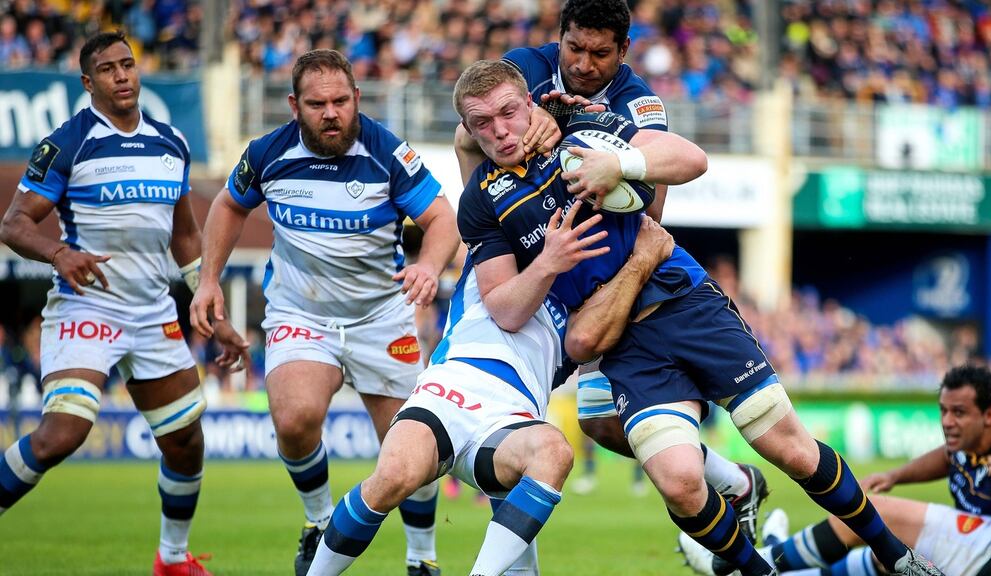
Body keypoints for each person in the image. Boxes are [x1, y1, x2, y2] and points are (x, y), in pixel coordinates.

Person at [454, 59, 941, 576]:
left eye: (509, 112)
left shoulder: (583, 126)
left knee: (792, 451)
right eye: (482, 123)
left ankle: (899, 558)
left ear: (530, 102)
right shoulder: (480, 202)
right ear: (467, 127)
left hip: (686, 303)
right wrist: (550, 261)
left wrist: (621, 166)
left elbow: (690, 158)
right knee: (681, 485)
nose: (500, 130)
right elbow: (504, 308)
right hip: (623, 345)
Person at [455, 0, 769, 546]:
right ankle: (733, 481)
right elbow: (468, 138)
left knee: (603, 423)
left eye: (600, 53)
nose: (583, 63)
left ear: (622, 51)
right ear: (561, 37)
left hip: (601, 270)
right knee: (593, 422)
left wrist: (583, 141)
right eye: (574, 47)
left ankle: (728, 479)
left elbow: (654, 204)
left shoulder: (638, 101)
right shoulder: (524, 68)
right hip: (533, 263)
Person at [188, 49, 460, 576]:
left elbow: (441, 217)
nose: (331, 112)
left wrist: (428, 264)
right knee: (293, 419)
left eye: (340, 101)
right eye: (317, 104)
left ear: (357, 98)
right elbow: (228, 205)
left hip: (382, 316)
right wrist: (207, 279)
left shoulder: (386, 151)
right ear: (295, 105)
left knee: (413, 447)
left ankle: (422, 557)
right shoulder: (269, 152)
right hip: (301, 311)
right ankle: (318, 523)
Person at [305, 203, 677, 576]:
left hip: (510, 421)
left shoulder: (595, 306)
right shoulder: (494, 247)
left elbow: (657, 189)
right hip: (447, 392)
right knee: (394, 474)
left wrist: (641, 257)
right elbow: (471, 147)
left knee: (553, 452)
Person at [0, 30, 248, 576]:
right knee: (63, 433)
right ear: (89, 83)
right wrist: (59, 253)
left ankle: (173, 559)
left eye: (128, 65)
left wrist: (214, 305)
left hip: (152, 311)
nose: (123, 76)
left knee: (185, 441)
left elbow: (185, 235)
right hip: (88, 307)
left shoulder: (170, 142)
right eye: (109, 69)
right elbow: (14, 224)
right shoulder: (69, 142)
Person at [678, 364, 991, 576]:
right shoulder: (967, 447)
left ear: (990, 416)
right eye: (943, 411)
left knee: (880, 517)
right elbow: (948, 457)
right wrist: (895, 476)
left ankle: (740, 562)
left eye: (958, 413)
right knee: (879, 559)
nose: (947, 422)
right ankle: (773, 556)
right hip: (976, 555)